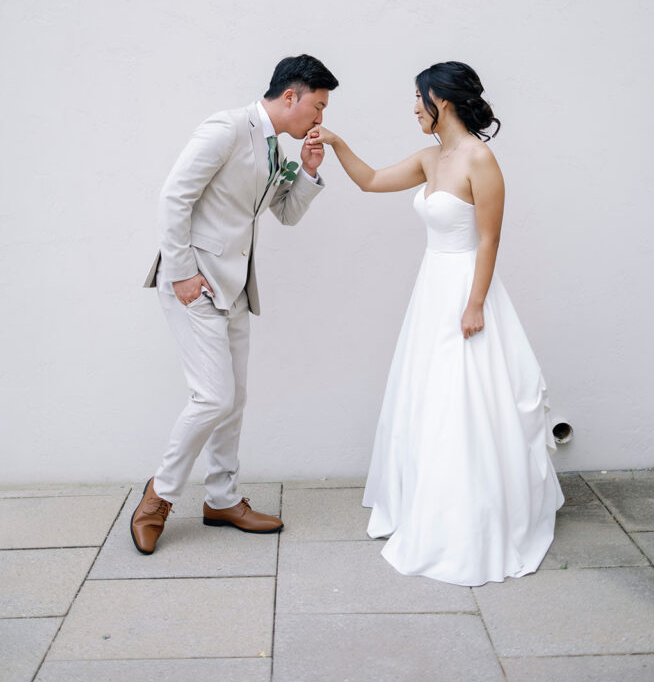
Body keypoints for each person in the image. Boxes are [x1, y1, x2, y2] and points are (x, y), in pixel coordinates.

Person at [310, 60, 563, 586]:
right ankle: (425, 503)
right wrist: (335, 143)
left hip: (466, 289)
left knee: (464, 399)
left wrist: (475, 303)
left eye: (417, 98)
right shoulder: (431, 158)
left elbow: (490, 239)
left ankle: (469, 516)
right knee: (427, 396)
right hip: (430, 291)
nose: (414, 108)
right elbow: (373, 180)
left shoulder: (480, 159)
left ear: (440, 101)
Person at [131, 54, 339, 554]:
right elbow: (174, 197)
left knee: (234, 398)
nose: (320, 118)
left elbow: (284, 215)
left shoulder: (274, 150)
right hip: (195, 283)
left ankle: (222, 498)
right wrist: (180, 272)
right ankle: (158, 496)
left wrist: (308, 172)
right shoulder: (226, 128)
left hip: (237, 288)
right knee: (213, 397)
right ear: (291, 96)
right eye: (318, 105)